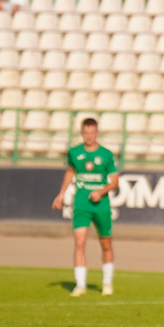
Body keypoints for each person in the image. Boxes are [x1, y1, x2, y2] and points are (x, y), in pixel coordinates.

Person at [52, 118, 120, 297]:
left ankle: (107, 282)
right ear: (82, 133)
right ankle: (80, 285)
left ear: (97, 133)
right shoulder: (74, 152)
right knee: (79, 242)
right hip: (81, 203)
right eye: (86, 132)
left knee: (105, 243)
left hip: (101, 205)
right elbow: (70, 171)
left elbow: (114, 182)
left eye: (92, 132)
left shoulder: (106, 154)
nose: (89, 136)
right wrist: (61, 194)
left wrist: (101, 191)